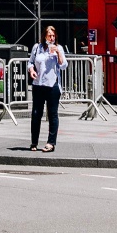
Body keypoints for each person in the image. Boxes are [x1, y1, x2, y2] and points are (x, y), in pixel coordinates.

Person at [28, 25, 67, 153]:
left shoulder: (58, 48)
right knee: (36, 113)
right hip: (38, 84)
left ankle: (51, 143)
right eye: (49, 35)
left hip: (52, 85)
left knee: (52, 114)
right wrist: (31, 70)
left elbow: (63, 66)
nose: (51, 38)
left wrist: (58, 53)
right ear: (44, 36)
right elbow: (31, 62)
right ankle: (34, 142)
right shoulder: (37, 48)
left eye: (53, 35)